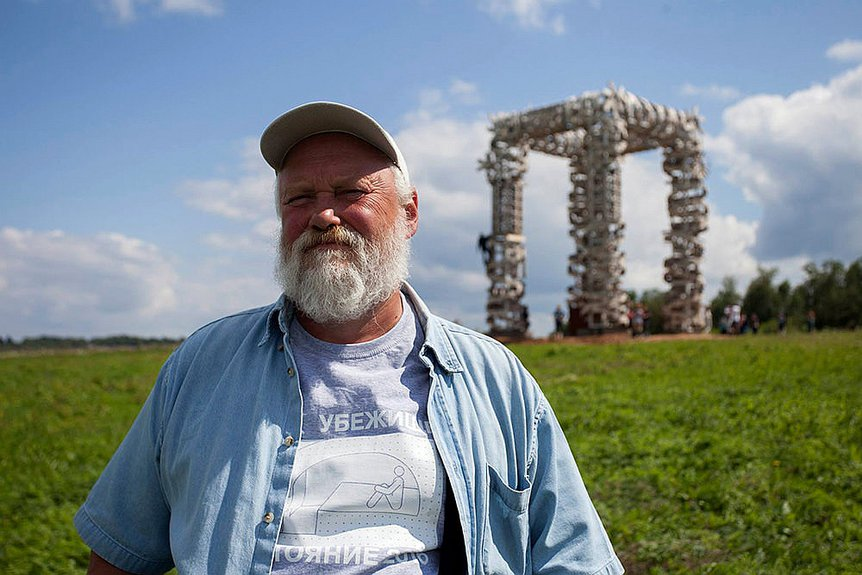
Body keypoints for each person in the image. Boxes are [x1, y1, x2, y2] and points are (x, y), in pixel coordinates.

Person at [75, 102, 624, 575]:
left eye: (350, 192)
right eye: (298, 198)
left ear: (409, 213)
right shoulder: (200, 368)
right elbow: (120, 553)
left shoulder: (495, 380)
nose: (323, 214)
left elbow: (572, 554)